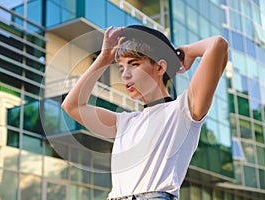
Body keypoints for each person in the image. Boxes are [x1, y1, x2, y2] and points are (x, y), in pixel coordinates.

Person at [61, 25, 228, 200]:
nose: (125, 75)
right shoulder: (125, 122)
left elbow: (217, 44)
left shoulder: (182, 111)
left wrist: (188, 52)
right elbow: (72, 106)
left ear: (159, 67)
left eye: (134, 64)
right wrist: (104, 58)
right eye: (121, 68)